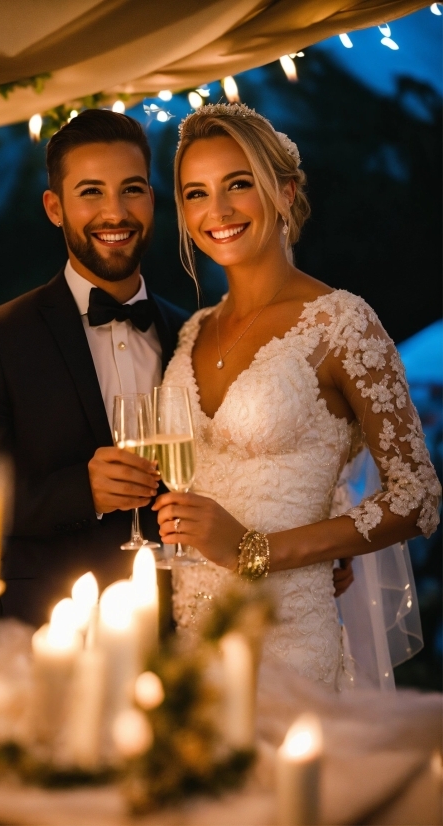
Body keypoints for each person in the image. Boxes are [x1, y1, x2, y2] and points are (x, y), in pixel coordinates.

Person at [153, 103, 441, 690]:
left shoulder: (343, 323)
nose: (219, 210)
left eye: (239, 184)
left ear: (284, 191)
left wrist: (257, 550)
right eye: (196, 193)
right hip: (194, 646)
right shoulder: (191, 333)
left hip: (289, 646)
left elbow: (418, 496)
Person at [0, 109, 188, 626]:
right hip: (44, 625)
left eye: (132, 189)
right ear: (55, 207)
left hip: (182, 619)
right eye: (91, 192)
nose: (115, 212)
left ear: (153, 198)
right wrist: (82, 492)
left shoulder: (191, 334)